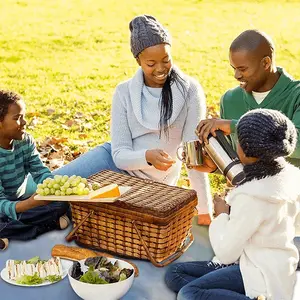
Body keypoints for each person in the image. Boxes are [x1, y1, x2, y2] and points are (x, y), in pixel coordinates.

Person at [53, 15, 212, 224]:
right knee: (50, 188)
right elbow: (119, 155)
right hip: (112, 163)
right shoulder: (124, 92)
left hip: (149, 186)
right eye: (151, 63)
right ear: (138, 60)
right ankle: (12, 210)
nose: (161, 68)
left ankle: (60, 216)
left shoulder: (190, 91)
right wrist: (146, 156)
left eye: (166, 59)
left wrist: (204, 211)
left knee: (78, 209)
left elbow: (193, 156)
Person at [165, 109, 300, 300]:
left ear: (245, 150)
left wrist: (222, 215)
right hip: (275, 265)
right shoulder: (291, 178)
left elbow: (226, 253)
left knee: (189, 293)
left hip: (259, 273)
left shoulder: (251, 197)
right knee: (175, 274)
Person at [194, 29, 300, 261]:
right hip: (247, 204)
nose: (236, 76)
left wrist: (234, 126)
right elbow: (242, 160)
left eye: (242, 69)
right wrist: (215, 164)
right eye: (234, 68)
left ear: (266, 62)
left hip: (288, 209)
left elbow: (297, 142)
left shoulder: (296, 95)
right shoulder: (230, 99)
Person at [0, 90, 70, 250]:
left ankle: (10, 232)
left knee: (63, 203)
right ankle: (45, 224)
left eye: (23, 116)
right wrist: (29, 205)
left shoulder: (25, 141)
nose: (24, 122)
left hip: (20, 200)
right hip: (4, 206)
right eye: (17, 118)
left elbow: (40, 171)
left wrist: (54, 190)